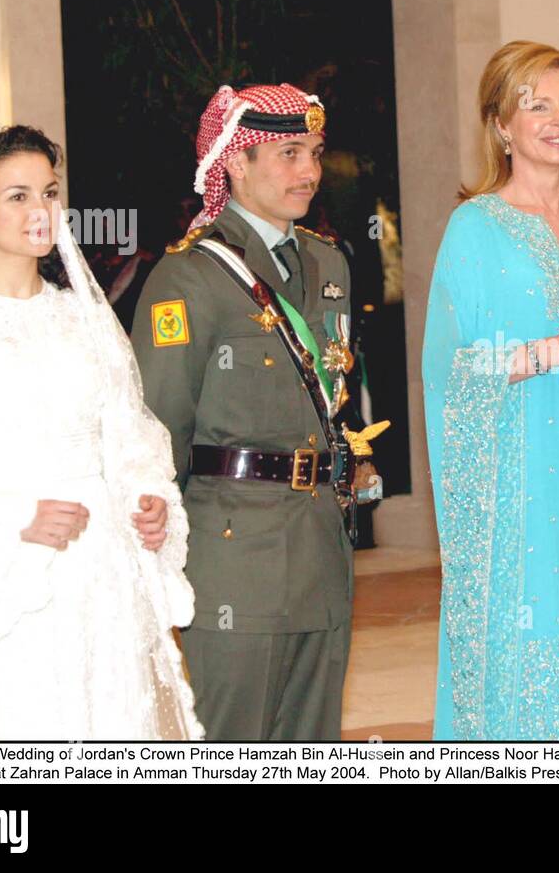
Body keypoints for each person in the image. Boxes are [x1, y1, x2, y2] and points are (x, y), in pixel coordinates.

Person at [0, 126, 201, 739]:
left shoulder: (82, 316)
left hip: (98, 566)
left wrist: (147, 497)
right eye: (17, 196)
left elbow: (128, 428)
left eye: (49, 194)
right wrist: (14, 516)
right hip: (5, 570)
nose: (40, 211)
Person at [132, 83, 377, 741]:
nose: (310, 172)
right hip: (234, 557)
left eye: (316, 153)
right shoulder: (188, 278)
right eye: (289, 153)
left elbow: (327, 393)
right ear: (235, 163)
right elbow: (157, 433)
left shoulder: (329, 263)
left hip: (323, 550)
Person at [422, 41, 559, 740]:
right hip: (514, 496)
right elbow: (452, 371)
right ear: (500, 125)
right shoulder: (475, 228)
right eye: (537, 105)